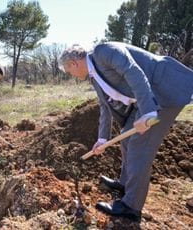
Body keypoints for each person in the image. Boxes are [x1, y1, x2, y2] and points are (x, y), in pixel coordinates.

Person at [60, 42, 193, 222]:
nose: (72, 75)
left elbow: (133, 71)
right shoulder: (94, 76)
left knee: (140, 147)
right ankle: (124, 184)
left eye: (69, 71)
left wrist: (148, 111)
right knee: (126, 140)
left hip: (164, 92)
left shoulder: (103, 52)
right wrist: (102, 138)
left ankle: (131, 206)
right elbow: (104, 106)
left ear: (73, 63)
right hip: (145, 101)